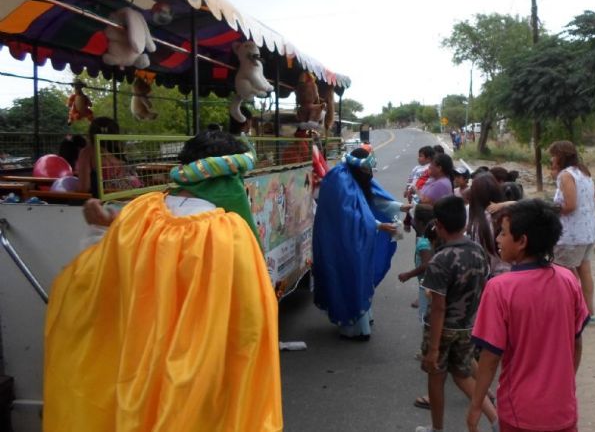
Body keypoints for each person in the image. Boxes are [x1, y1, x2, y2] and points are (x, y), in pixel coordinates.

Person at [45, 130, 282, 431]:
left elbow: (95, 277)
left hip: (136, 367)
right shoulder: (228, 232)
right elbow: (250, 318)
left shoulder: (139, 212)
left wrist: (98, 231)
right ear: (230, 178)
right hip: (196, 375)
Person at [468, 199, 590, 432]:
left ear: (522, 241)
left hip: (521, 412)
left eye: (503, 233)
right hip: (563, 409)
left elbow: (490, 357)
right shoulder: (568, 280)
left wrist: (476, 405)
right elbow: (577, 343)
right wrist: (564, 385)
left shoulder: (499, 288)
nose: (497, 240)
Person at [417, 196, 498, 432]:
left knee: (436, 376)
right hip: (468, 327)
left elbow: (439, 307)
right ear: (464, 223)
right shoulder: (478, 252)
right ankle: (496, 421)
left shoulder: (440, 260)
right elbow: (484, 288)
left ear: (438, 226)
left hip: (442, 329)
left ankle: (437, 429)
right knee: (463, 376)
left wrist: (432, 349)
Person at [313, 147, 410, 340]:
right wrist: (379, 225)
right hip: (340, 241)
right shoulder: (340, 180)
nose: (370, 175)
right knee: (348, 277)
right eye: (367, 170)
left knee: (361, 275)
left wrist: (401, 206)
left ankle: (362, 320)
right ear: (359, 167)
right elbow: (348, 217)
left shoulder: (357, 176)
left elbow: (373, 199)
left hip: (357, 239)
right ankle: (351, 327)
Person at [549, 140, 595, 322]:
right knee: (585, 272)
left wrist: (551, 208)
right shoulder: (584, 172)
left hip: (570, 236)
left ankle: (573, 314)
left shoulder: (565, 175)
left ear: (560, 157)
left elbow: (570, 205)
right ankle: (589, 312)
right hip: (588, 232)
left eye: (553, 156)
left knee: (566, 276)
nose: (552, 159)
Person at [75, 117, 142, 197]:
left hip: (106, 199)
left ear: (91, 133)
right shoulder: (119, 152)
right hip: (133, 196)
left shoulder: (87, 152)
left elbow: (83, 188)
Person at [398, 204, 436, 321]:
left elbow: (426, 264)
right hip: (428, 283)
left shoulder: (424, 243)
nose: (412, 222)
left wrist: (408, 274)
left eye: (414, 219)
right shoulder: (430, 238)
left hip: (426, 284)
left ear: (420, 223)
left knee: (425, 316)